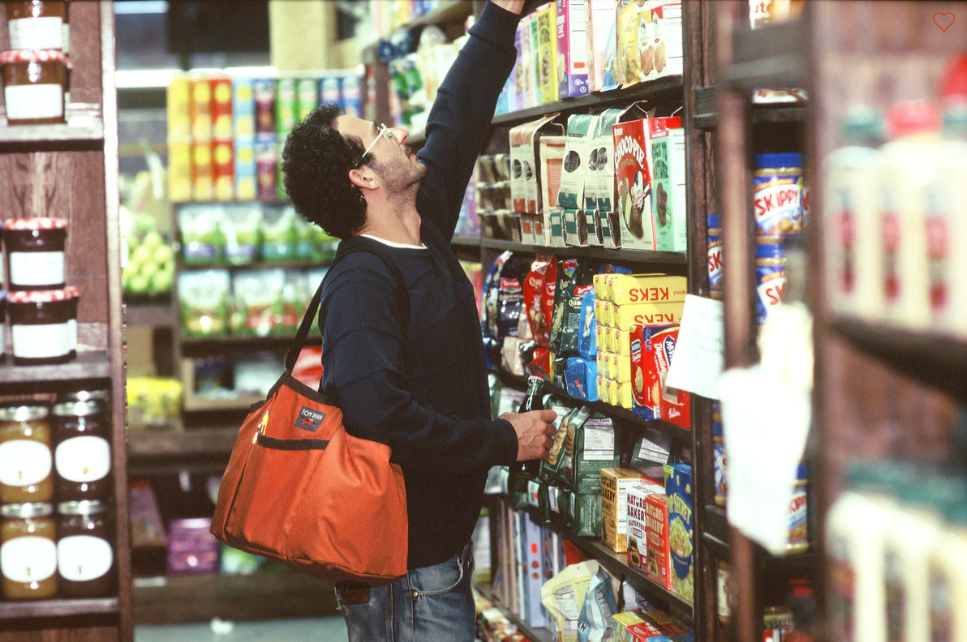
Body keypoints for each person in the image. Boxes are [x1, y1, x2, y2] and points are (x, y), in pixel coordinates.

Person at [281, 1, 555, 640]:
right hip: (406, 574)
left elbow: (456, 120)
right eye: (381, 136)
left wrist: (501, 13)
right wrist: (500, 440)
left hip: (434, 557)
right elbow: (379, 416)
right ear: (363, 177)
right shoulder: (362, 282)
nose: (399, 134)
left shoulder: (420, 225)